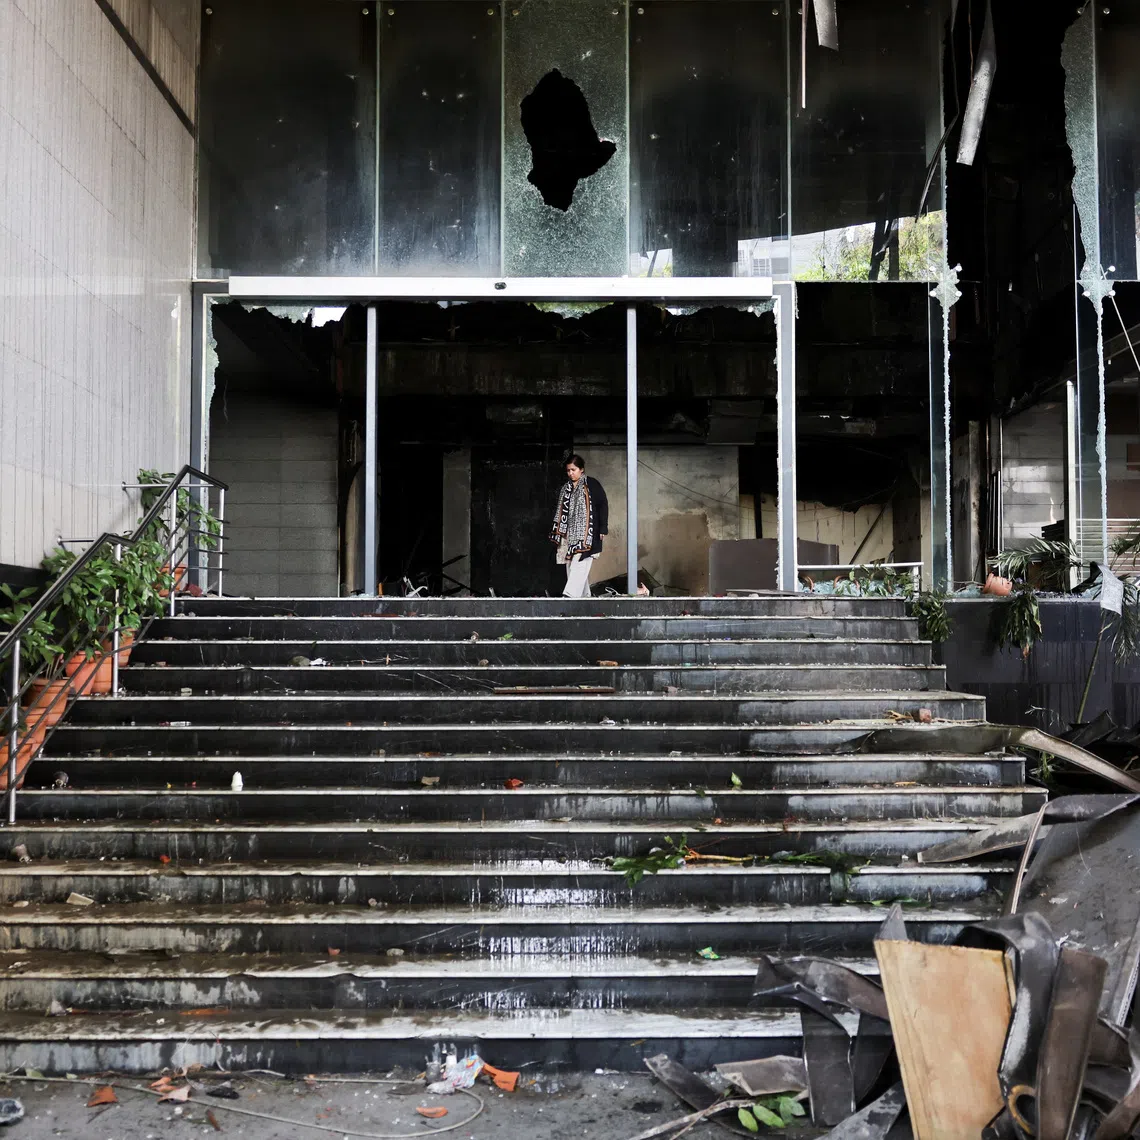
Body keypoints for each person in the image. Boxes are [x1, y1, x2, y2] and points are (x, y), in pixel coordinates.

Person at [549, 455, 608, 598]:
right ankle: (584, 598)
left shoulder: (591, 484)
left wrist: (603, 528)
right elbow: (562, 511)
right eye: (568, 470)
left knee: (580, 562)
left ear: (581, 469)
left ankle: (570, 595)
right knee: (570, 565)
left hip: (587, 533)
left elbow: (602, 505)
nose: (570, 473)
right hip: (570, 534)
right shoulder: (566, 488)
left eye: (573, 470)